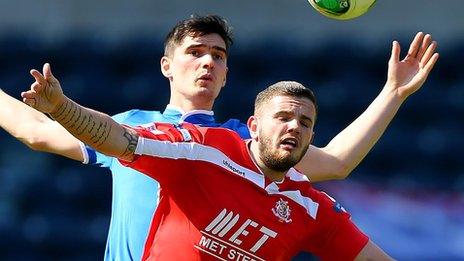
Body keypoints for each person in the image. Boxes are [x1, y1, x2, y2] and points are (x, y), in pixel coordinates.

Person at [5, 14, 438, 260]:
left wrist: (392, 94)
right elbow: (38, 132)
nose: (208, 62)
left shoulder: (241, 144)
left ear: (228, 74)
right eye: (194, 52)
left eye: (218, 55)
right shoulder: (134, 124)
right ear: (166, 66)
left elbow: (338, 162)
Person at [23, 76, 397, 259]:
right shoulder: (202, 151)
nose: (294, 128)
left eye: (305, 123)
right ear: (252, 126)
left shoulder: (311, 209)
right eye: (282, 117)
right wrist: (61, 107)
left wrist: (395, 91)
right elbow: (117, 139)